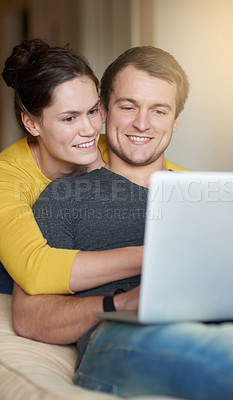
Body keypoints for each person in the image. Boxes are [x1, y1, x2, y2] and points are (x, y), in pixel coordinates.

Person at [13, 46, 233, 400]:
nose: (142, 124)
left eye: (158, 110)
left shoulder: (210, 197)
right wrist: (123, 303)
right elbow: (29, 317)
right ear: (103, 110)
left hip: (225, 326)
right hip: (122, 338)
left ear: (175, 121)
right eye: (128, 106)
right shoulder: (63, 197)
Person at [1, 38, 175, 295]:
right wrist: (160, 254)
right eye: (70, 118)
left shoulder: (110, 145)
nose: (90, 130)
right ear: (32, 124)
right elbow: (36, 271)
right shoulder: (9, 177)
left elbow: (171, 179)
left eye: (93, 111)